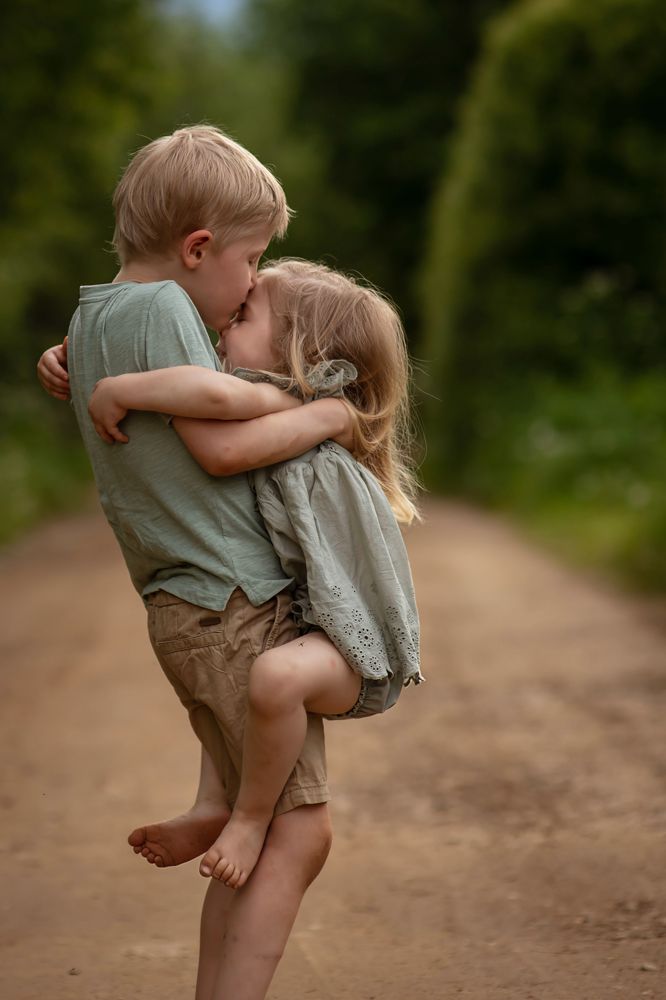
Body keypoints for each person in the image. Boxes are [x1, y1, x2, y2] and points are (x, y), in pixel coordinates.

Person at [36, 125, 355, 1000]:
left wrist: (66, 359)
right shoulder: (169, 311)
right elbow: (217, 422)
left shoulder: (93, 316)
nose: (254, 282)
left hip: (188, 611)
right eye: (251, 261)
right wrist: (321, 409)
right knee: (296, 833)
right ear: (198, 248)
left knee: (261, 830)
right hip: (235, 602)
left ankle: (217, 816)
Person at [86, 257, 423, 893]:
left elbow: (222, 423)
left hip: (354, 653)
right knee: (242, 682)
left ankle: (248, 818)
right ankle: (213, 803)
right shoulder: (281, 398)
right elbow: (201, 386)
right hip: (306, 629)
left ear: (303, 352)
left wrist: (121, 388)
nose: (224, 324)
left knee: (270, 676)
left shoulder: (322, 410)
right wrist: (68, 357)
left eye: (244, 316)